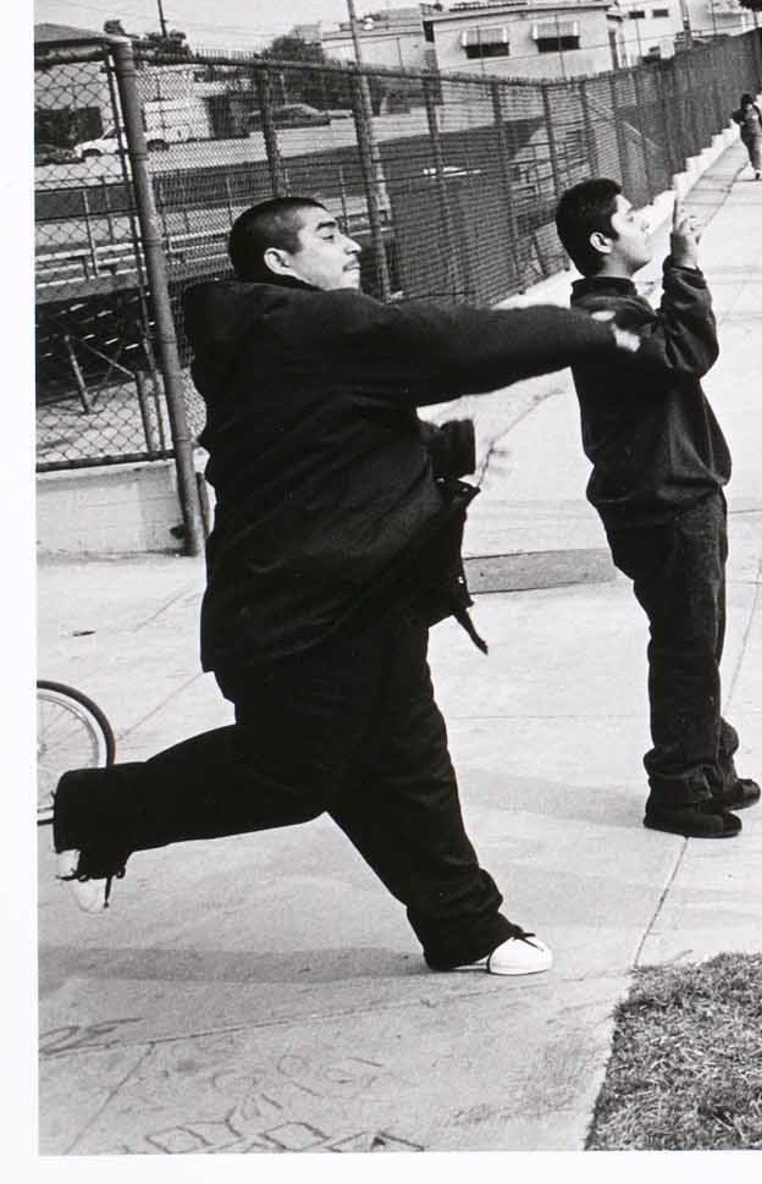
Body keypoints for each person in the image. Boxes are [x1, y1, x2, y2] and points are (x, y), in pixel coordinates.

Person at [47, 197, 651, 976]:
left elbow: (324, 439)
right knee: (294, 774)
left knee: (405, 762)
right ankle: (96, 811)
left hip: (365, 599)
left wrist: (444, 451)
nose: (354, 245)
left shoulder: (282, 340)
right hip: (300, 617)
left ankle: (466, 926)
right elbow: (450, 342)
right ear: (280, 262)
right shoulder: (308, 324)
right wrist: (594, 330)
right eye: (329, 236)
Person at [558, 178, 753, 840]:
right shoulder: (604, 315)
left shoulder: (615, 307)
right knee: (685, 646)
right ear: (600, 240)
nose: (644, 225)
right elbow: (685, 352)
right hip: (664, 502)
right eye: (629, 218)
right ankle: (678, 785)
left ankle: (708, 762)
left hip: (673, 495)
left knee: (696, 641)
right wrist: (685, 264)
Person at [734, 93, 762, 181]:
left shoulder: (756, 110)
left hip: (757, 134)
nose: (748, 107)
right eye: (746, 105)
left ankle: (758, 169)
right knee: (751, 153)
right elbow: (733, 116)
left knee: (756, 150)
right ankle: (755, 167)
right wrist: (739, 122)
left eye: (749, 105)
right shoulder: (740, 112)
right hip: (746, 136)